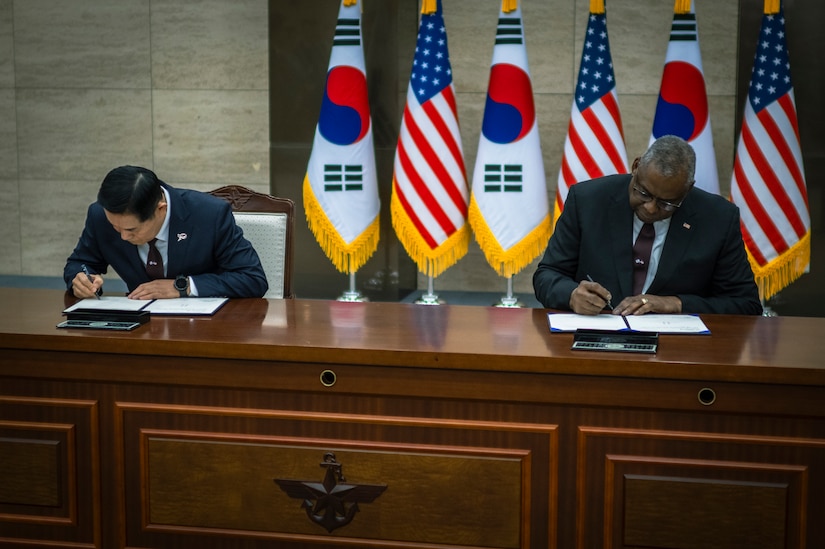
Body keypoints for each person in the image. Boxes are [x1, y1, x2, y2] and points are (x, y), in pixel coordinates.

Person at [533, 135, 762, 316]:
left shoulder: (718, 218)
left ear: (688, 190)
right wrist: (572, 295)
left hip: (677, 352)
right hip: (596, 340)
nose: (651, 208)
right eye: (643, 193)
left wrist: (676, 303)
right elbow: (548, 274)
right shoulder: (588, 200)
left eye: (667, 203)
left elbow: (745, 303)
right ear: (636, 167)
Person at [64, 165, 268, 300]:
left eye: (131, 229)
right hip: (138, 327)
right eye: (115, 228)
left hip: (205, 328)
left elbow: (252, 279)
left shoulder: (209, 214)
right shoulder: (99, 216)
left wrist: (183, 287)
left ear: (160, 209)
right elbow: (80, 262)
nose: (123, 237)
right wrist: (82, 279)